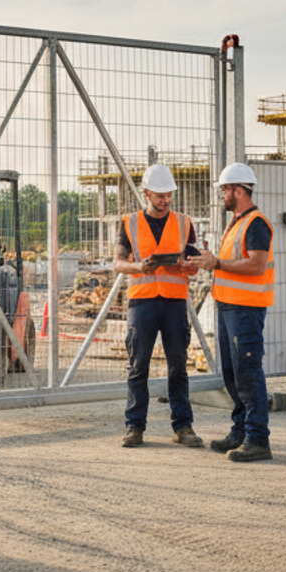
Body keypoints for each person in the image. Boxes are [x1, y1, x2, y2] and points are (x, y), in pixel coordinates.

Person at [112, 164, 203, 448]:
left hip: (175, 302)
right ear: (147, 193)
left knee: (178, 366)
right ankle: (134, 426)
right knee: (138, 366)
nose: (166, 200)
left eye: (169, 195)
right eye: (160, 195)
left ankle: (183, 426)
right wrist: (139, 266)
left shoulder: (185, 223)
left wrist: (186, 265)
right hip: (143, 301)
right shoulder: (129, 222)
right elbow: (117, 263)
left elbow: (195, 266)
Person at [192, 162, 275, 462]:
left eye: (225, 190)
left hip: (246, 309)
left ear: (239, 190)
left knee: (248, 372)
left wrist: (218, 264)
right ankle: (240, 431)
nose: (222, 195)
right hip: (229, 306)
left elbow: (256, 264)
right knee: (232, 373)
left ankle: (257, 438)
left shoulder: (256, 223)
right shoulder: (237, 223)